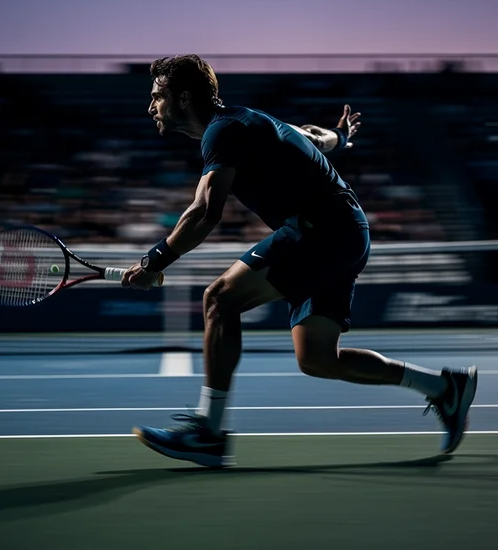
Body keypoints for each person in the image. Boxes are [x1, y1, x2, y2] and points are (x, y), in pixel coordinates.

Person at [121, 55, 477, 468]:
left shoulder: (222, 132)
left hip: (321, 230)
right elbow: (310, 135)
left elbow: (205, 212)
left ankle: (208, 432)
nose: (151, 107)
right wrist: (341, 139)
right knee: (317, 359)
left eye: (157, 96)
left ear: (183, 98)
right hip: (344, 233)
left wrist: (154, 262)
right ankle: (443, 388)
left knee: (219, 299)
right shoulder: (247, 122)